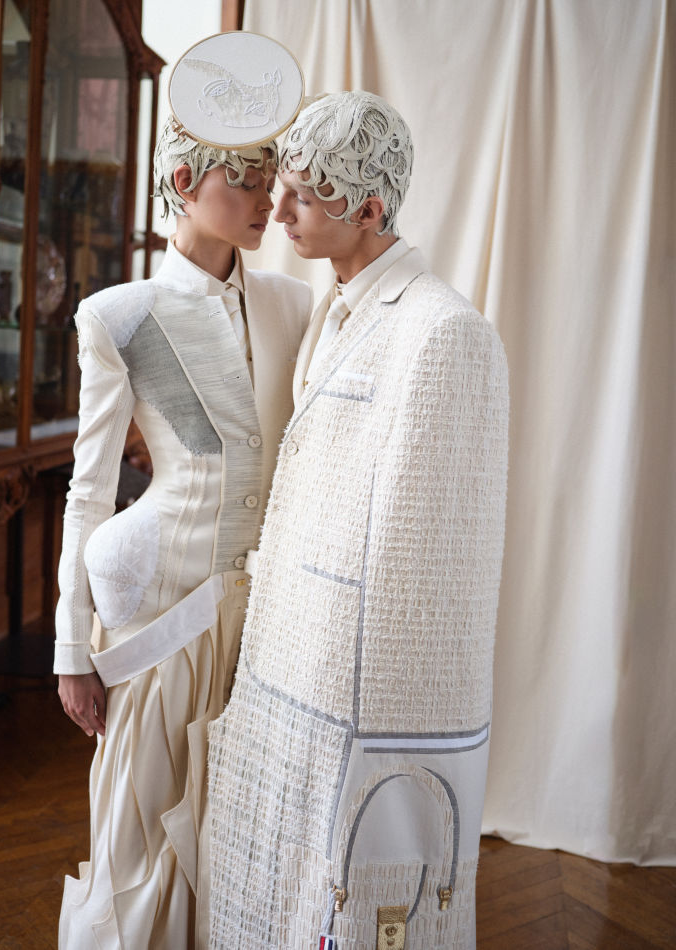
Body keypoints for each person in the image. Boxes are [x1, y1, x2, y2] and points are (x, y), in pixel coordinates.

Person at [206, 91, 509, 949]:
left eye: (304, 196)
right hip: (285, 659)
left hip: (353, 688)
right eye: (281, 187)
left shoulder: (444, 332)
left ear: (370, 210)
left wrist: (371, 722)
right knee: (270, 895)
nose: (279, 211)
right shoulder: (329, 309)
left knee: (346, 906)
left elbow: (434, 554)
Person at [53, 100, 312, 946]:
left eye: (269, 180)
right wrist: (70, 650)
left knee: (239, 837)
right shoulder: (120, 314)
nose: (266, 199)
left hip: (262, 613)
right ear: (182, 181)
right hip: (159, 607)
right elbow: (89, 491)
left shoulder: (293, 304)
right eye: (245, 180)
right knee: (143, 831)